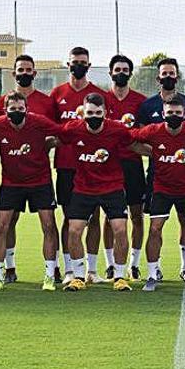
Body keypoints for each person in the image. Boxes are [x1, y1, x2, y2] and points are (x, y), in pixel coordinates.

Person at [59, 93, 146, 292]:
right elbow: (53, 136)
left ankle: (119, 276)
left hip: (112, 187)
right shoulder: (73, 129)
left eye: (98, 113)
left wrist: (160, 150)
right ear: (83, 113)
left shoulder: (117, 129)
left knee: (120, 229)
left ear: (105, 113)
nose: (94, 116)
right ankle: (79, 276)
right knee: (73, 231)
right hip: (83, 188)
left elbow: (135, 141)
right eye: (90, 112)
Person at [131, 94, 185, 291]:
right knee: (154, 229)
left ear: (184, 114)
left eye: (178, 113)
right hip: (162, 189)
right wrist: (149, 152)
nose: (174, 116)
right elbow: (130, 139)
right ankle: (152, 274)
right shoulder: (153, 130)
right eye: (170, 113)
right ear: (163, 114)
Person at [0, 91, 61, 292]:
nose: (16, 112)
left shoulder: (39, 122)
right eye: (12, 109)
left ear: (26, 109)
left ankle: (50, 275)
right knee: (2, 226)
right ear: (5, 110)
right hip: (11, 184)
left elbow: (61, 133)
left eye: (20, 109)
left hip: (40, 182)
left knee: (48, 225)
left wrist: (48, 144)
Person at [0, 54, 57, 281]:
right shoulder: (0, 103)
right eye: (21, 69)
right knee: (7, 223)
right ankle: (8, 269)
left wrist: (42, 146)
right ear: (14, 72)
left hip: (40, 176)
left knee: (49, 223)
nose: (25, 73)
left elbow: (57, 133)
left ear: (34, 73)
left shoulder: (47, 102)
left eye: (29, 69)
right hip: (11, 179)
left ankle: (53, 269)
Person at [136, 58, 185, 282]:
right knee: (156, 225)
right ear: (158, 78)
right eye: (164, 73)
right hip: (157, 176)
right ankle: (156, 269)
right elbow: (139, 138)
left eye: (172, 73)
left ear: (177, 76)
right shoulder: (147, 105)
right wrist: (159, 153)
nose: (168, 77)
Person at [51, 47, 110, 284]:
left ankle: (92, 271)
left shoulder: (98, 94)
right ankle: (69, 270)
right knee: (69, 219)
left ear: (89, 64)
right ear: (68, 64)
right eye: (75, 62)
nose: (78, 65)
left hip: (94, 167)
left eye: (83, 62)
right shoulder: (57, 94)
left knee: (94, 217)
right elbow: (53, 131)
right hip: (66, 165)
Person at [102, 55, 147, 281]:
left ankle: (134, 263)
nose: (121, 72)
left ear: (130, 73)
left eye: (125, 69)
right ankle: (110, 264)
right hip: (108, 165)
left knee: (136, 215)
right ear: (110, 73)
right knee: (109, 217)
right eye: (117, 69)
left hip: (133, 165)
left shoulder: (141, 101)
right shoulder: (101, 99)